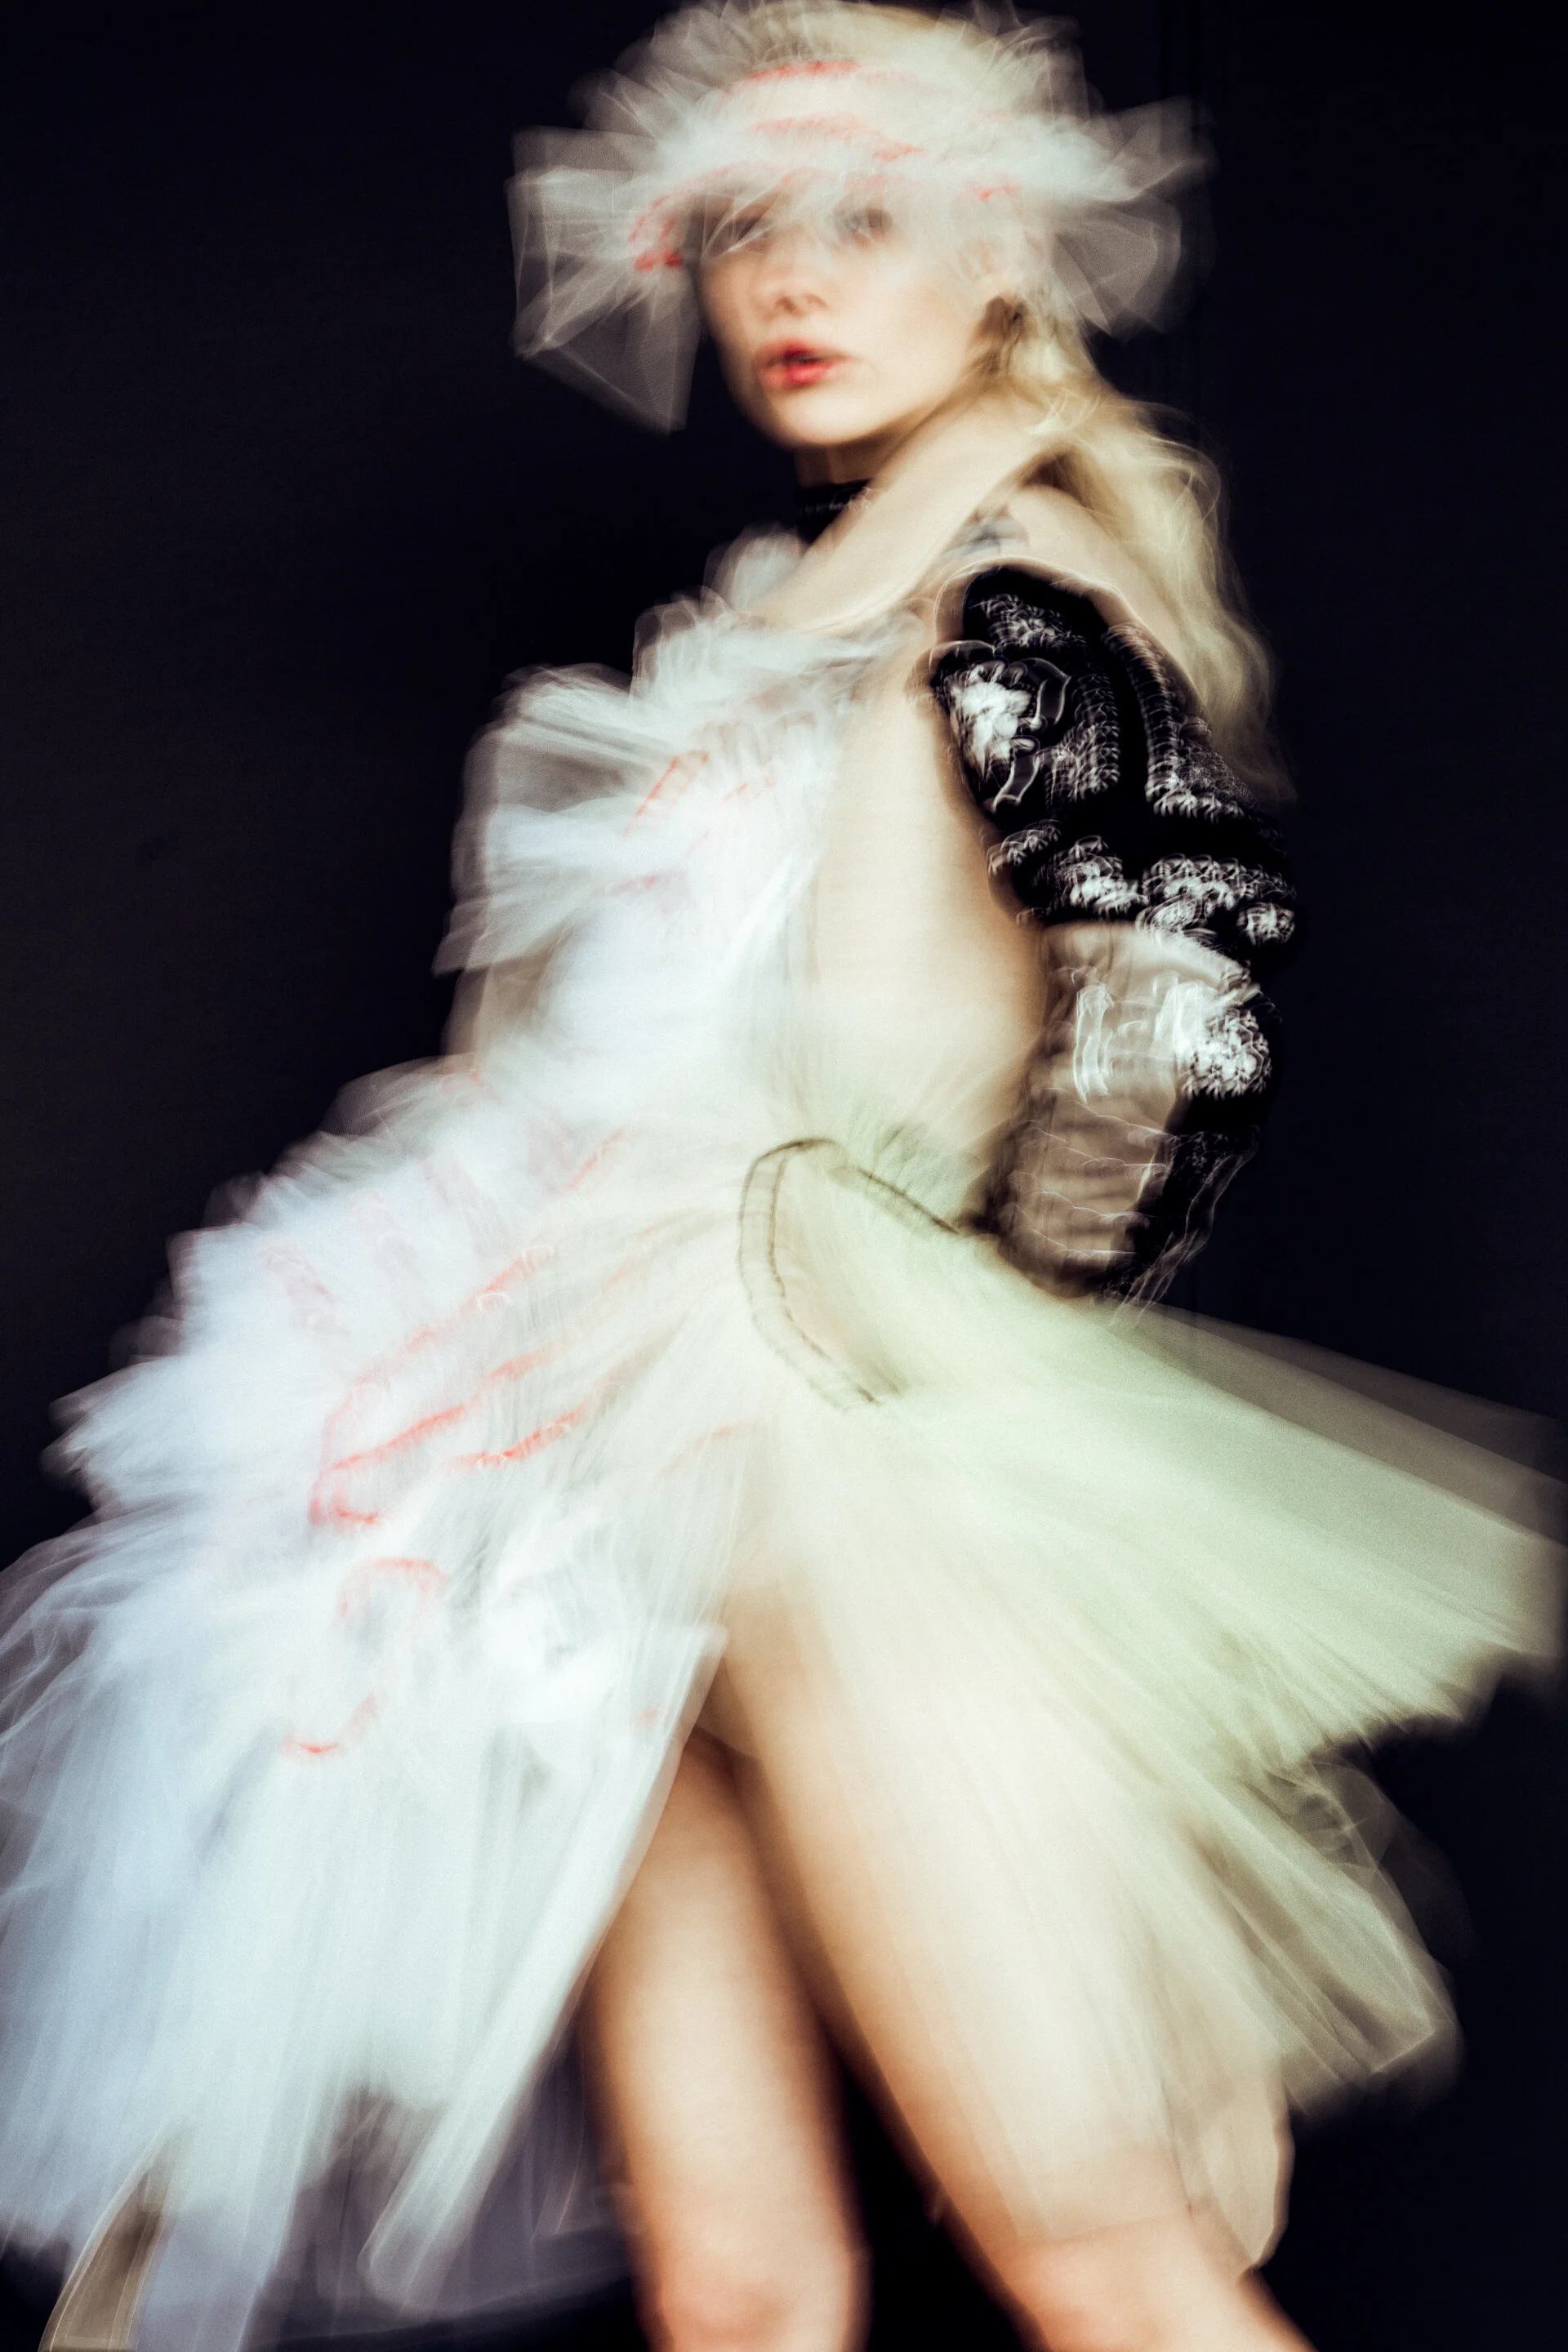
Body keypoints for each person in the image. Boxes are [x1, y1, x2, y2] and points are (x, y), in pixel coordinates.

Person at [0, 8, 1556, 2351]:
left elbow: (1186, 983)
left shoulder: (1012, 602)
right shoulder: (775, 626)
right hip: (579, 1492)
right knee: (740, 2289)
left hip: (814, 1453)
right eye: (737, 229)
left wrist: (944, 1312)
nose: (789, 281)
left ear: (1003, 262)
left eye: (862, 219)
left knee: (1092, 2253)